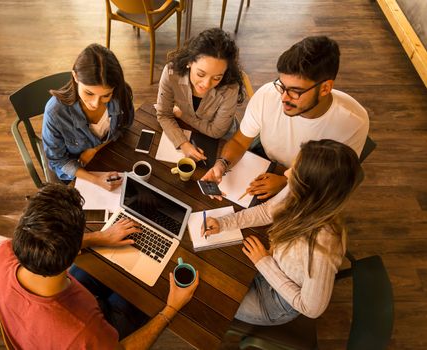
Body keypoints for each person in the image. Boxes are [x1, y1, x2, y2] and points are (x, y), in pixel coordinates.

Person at [0, 184, 199, 349]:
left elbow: (45, 242)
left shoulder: (3, 252)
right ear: (73, 254)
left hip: (37, 329)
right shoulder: (82, 333)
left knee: (110, 271)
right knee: (141, 296)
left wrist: (101, 237)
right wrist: (171, 308)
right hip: (81, 334)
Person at [202, 139, 362, 325]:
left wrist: (264, 262)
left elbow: (311, 308)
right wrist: (224, 223)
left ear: (311, 187)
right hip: (271, 262)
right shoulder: (302, 193)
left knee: (208, 295)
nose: (286, 173)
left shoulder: (321, 248)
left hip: (276, 299)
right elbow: (267, 210)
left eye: (295, 171)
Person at [201, 36, 369, 200]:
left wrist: (285, 181)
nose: (283, 98)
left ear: (325, 88)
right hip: (266, 158)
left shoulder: (353, 122)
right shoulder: (269, 94)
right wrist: (221, 164)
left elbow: (332, 179)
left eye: (295, 91)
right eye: (282, 85)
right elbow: (239, 141)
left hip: (307, 180)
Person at [42, 43, 134, 191]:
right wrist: (96, 180)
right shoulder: (55, 113)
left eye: (106, 95)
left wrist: (96, 149)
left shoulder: (121, 94)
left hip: (107, 155)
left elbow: (124, 126)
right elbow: (58, 161)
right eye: (89, 93)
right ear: (75, 76)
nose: (96, 103)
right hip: (77, 172)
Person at [155, 27, 245, 161]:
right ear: (189, 62)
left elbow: (216, 132)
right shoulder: (171, 73)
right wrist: (183, 144)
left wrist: (182, 115)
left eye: (217, 78)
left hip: (222, 140)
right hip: (190, 131)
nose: (206, 84)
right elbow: (163, 114)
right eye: (200, 74)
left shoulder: (230, 89)